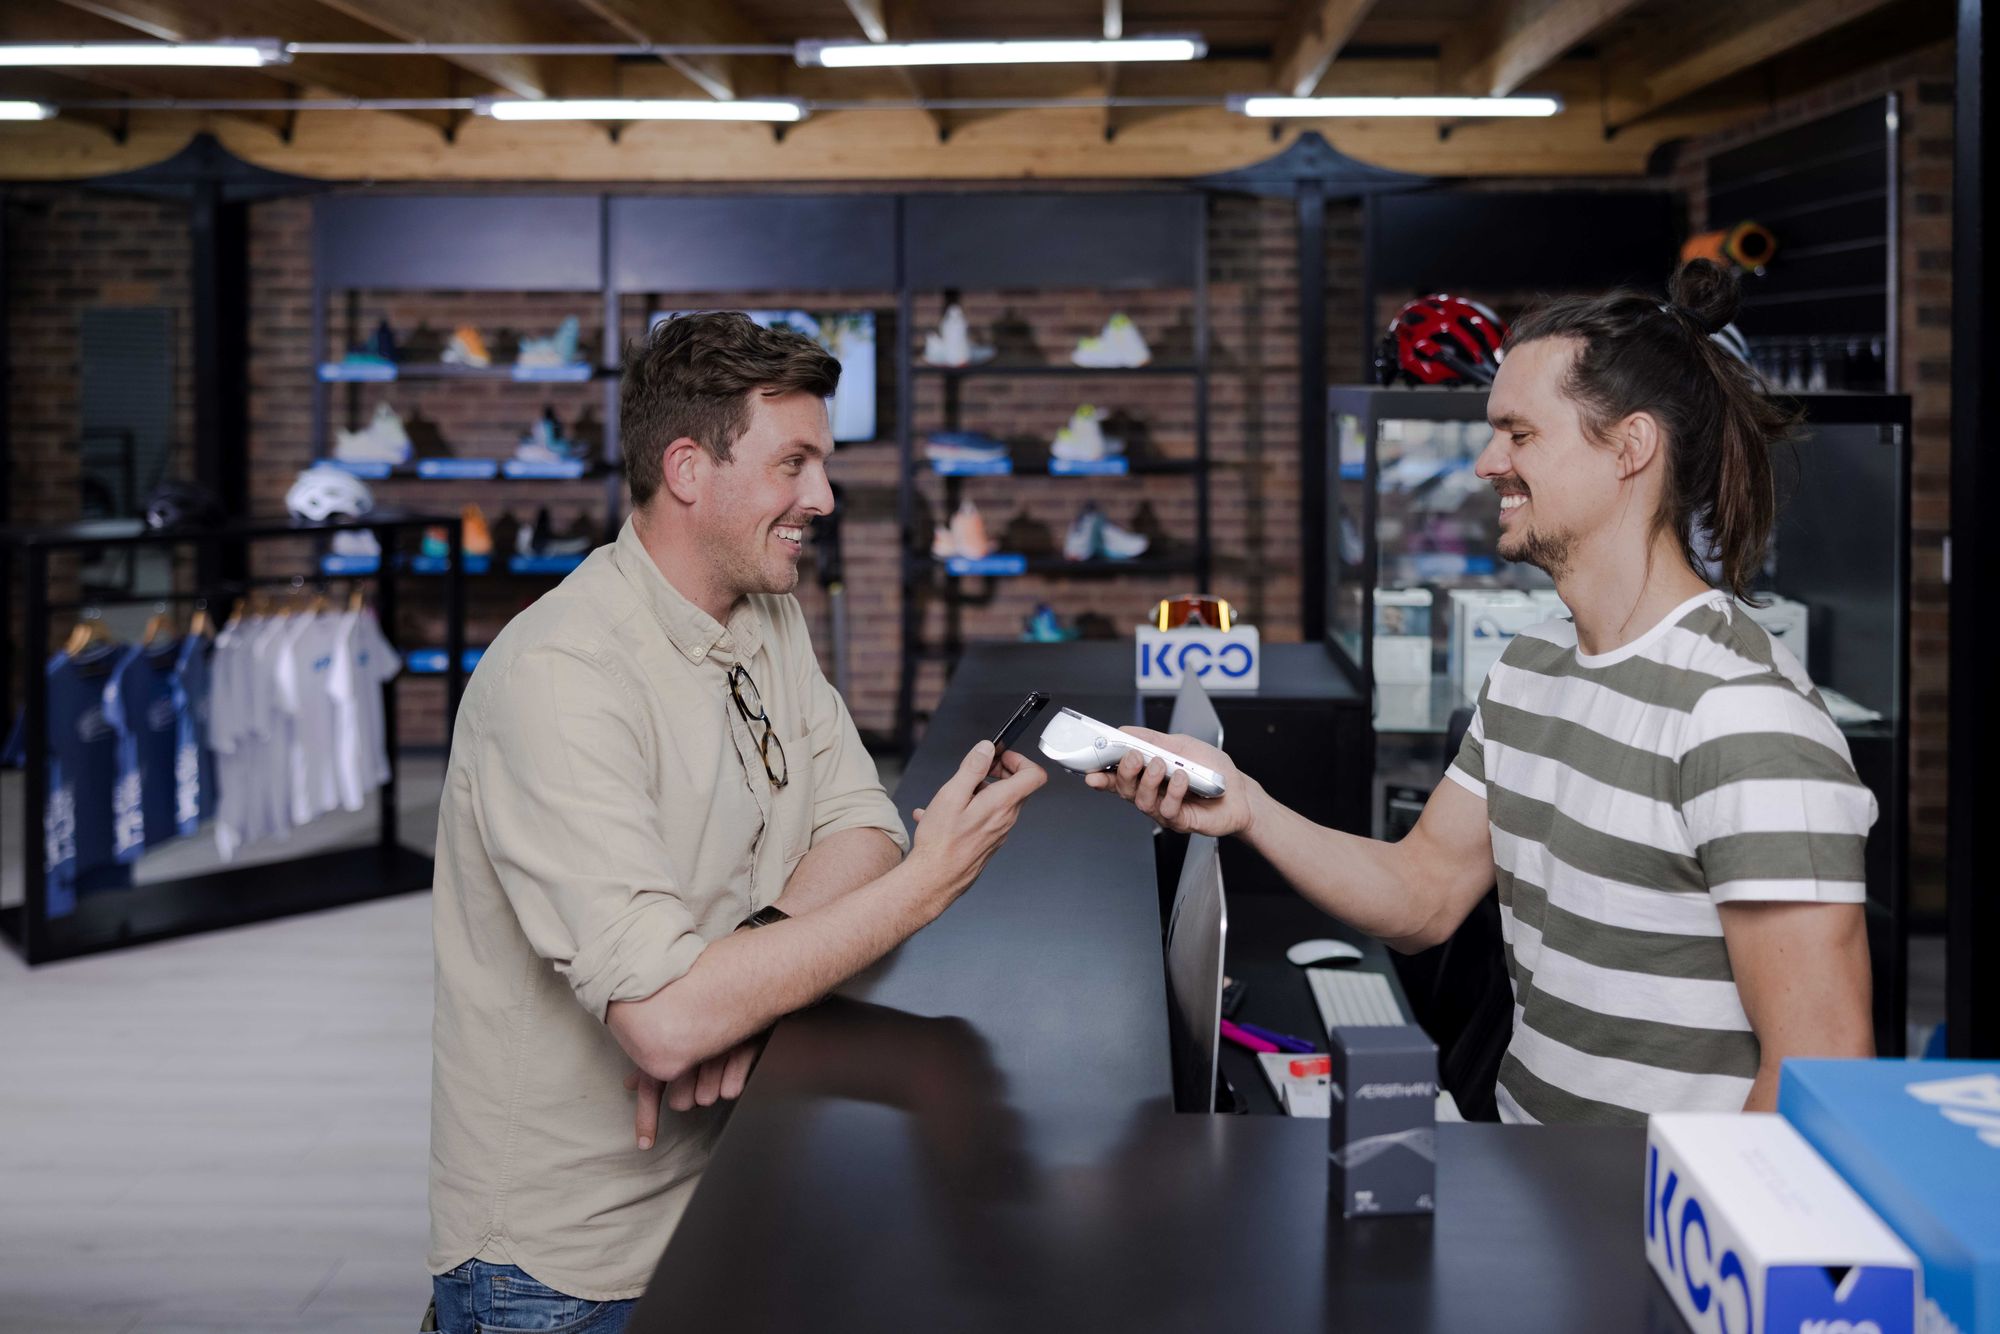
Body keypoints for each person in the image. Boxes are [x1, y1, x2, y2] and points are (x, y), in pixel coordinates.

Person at [1090, 260, 1876, 1124]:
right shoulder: (1534, 663)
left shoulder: (1742, 712)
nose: (1483, 463)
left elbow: (1820, 1069)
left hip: (1640, 1228)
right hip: (1519, 1175)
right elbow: (1421, 896)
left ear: (1631, 446)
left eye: (1519, 434)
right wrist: (1242, 804)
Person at [425, 311, 1046, 1333]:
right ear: (686, 468)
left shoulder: (765, 613)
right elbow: (667, 1023)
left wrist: (743, 975)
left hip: (723, 1189)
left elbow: (860, 820)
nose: (824, 497)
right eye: (792, 463)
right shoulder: (560, 677)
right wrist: (920, 890)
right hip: (564, 1271)